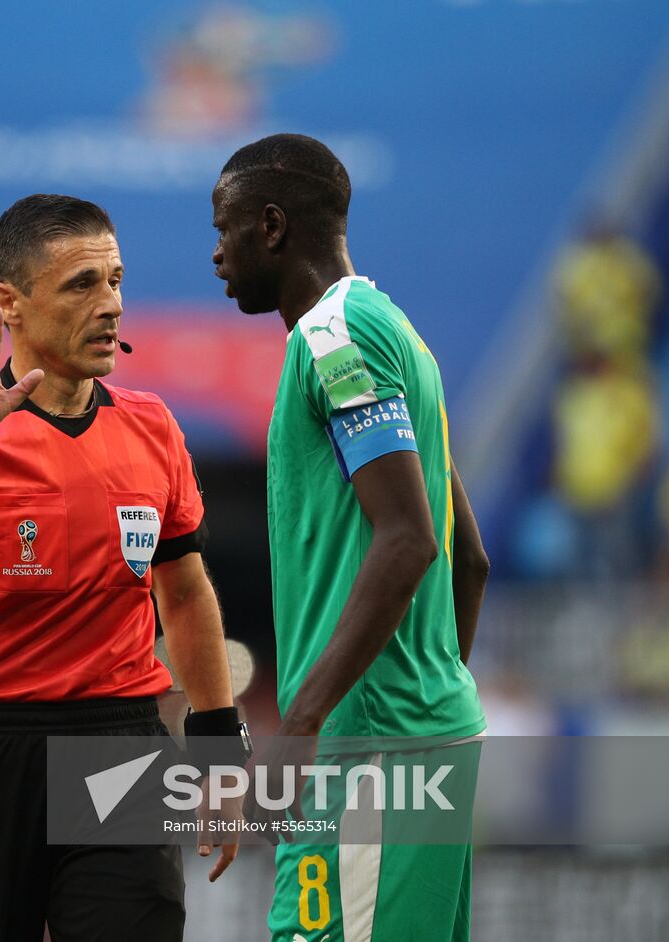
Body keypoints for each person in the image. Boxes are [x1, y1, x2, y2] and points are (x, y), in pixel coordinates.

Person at [0, 193, 246, 942]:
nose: (110, 306)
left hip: (118, 741)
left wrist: (217, 744)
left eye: (116, 281)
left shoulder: (152, 426)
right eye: (82, 285)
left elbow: (186, 591)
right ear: (10, 303)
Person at [210, 134, 490, 941]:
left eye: (223, 228)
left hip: (366, 759)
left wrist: (303, 725)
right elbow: (467, 558)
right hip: (420, 740)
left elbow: (410, 540)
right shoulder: (397, 331)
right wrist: (422, 704)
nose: (215, 254)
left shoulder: (334, 338)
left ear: (270, 226)